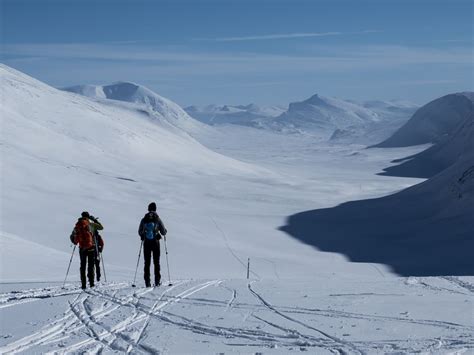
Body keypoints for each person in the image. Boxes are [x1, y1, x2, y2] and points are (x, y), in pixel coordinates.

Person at [70, 211, 103, 289]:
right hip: (91, 247)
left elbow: (73, 236)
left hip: (82, 248)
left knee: (83, 266)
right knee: (91, 265)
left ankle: (83, 284)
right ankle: (91, 283)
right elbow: (101, 227)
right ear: (88, 217)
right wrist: (95, 220)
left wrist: (74, 241)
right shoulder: (91, 224)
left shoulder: (77, 225)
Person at [138, 202, 167, 287]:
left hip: (146, 242)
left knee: (147, 263)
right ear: (155, 209)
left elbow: (139, 231)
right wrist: (165, 231)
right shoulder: (157, 218)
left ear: (148, 208)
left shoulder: (144, 219)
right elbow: (163, 231)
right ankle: (157, 281)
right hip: (155, 243)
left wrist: (143, 235)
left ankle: (147, 282)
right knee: (156, 262)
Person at [88, 215, 104, 282]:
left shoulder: (87, 227)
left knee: (90, 264)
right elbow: (102, 243)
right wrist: (100, 249)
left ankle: (90, 277)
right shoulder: (97, 235)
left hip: (89, 248)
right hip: (96, 249)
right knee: (97, 264)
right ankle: (98, 277)